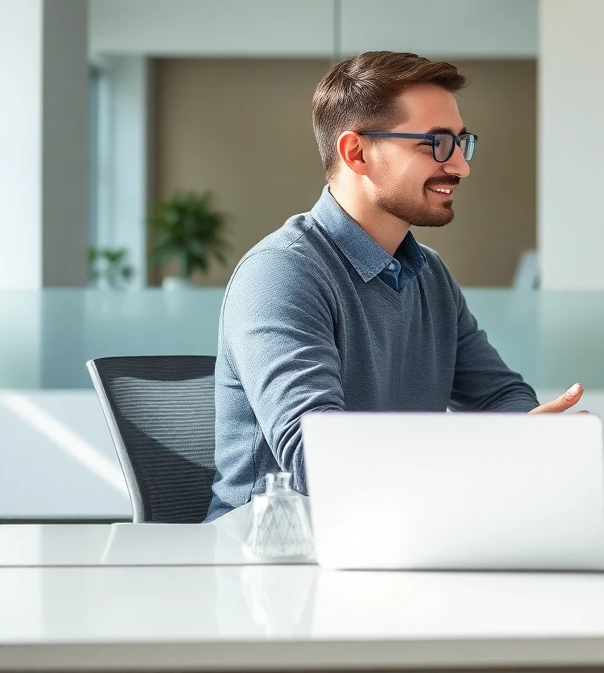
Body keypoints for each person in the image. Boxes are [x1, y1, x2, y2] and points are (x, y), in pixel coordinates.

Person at [207, 51, 582, 521]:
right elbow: (316, 457)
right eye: (435, 144)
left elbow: (499, 396)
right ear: (356, 153)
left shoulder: (429, 273)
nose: (460, 167)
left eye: (460, 143)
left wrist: (524, 433)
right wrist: (487, 450)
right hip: (275, 546)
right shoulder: (281, 273)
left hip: (396, 527)